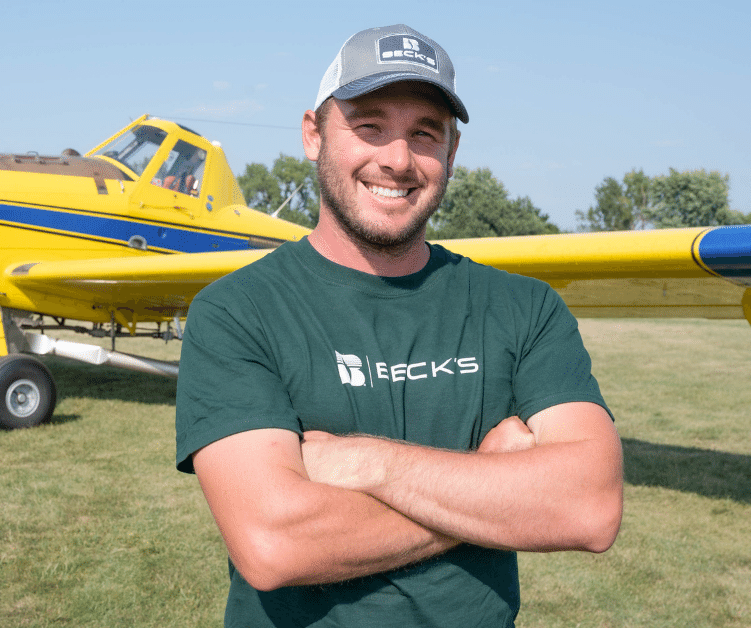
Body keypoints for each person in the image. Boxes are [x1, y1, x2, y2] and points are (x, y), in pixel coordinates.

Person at [174, 24, 623, 628]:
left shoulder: (524, 308)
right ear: (314, 135)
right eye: (370, 126)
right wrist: (496, 487)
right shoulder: (237, 311)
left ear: (452, 153)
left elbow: (589, 507)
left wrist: (369, 464)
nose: (397, 158)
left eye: (425, 133)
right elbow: (275, 543)